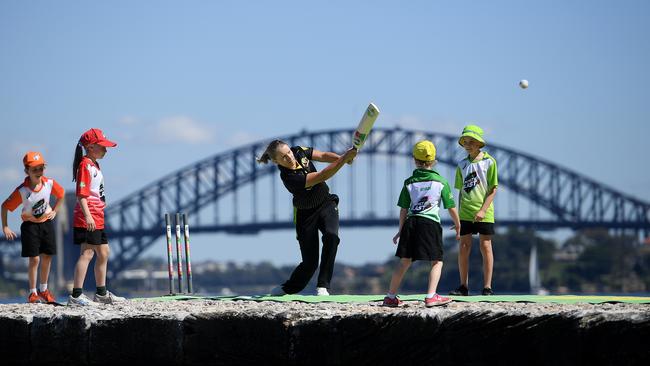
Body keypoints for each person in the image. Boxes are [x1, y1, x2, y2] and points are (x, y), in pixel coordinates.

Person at [257, 139, 357, 296]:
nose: (289, 157)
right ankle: (288, 288)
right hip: (305, 214)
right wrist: (344, 159)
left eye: (288, 152)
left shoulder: (299, 151)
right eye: (283, 157)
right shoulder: (289, 178)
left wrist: (341, 157)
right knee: (310, 263)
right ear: (276, 161)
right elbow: (323, 175)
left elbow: (323, 155)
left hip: (326, 203)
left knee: (332, 237)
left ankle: (323, 286)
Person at [383, 141, 461, 307]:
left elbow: (403, 209)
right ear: (434, 161)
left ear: (414, 159)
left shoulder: (409, 182)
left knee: (404, 261)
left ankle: (390, 296)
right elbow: (451, 207)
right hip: (430, 224)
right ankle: (432, 296)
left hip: (411, 222)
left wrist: (400, 230)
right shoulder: (441, 182)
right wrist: (458, 224)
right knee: (437, 261)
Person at [68, 128, 125, 306]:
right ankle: (76, 296)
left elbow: (95, 190)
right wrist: (88, 216)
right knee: (87, 253)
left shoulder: (94, 165)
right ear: (91, 147)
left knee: (104, 252)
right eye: (102, 146)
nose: (106, 150)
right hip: (88, 216)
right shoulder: (85, 165)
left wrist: (102, 203)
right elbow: (81, 195)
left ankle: (101, 293)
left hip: (97, 215)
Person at [1, 152, 65, 303]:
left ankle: (44, 290)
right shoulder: (22, 190)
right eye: (34, 169)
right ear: (27, 171)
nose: (38, 172)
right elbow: (4, 206)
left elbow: (61, 195)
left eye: (41, 168)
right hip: (30, 226)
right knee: (34, 259)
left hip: (46, 224)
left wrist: (55, 211)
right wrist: (5, 227)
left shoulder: (49, 183)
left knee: (47, 256)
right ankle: (32, 293)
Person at [449, 125, 498, 296]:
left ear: (479, 143)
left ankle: (487, 287)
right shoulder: (461, 165)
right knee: (463, 247)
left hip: (484, 213)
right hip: (465, 213)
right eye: (464, 142)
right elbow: (460, 192)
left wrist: (483, 210)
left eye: (471, 141)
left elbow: (493, 189)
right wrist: (457, 219)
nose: (467, 145)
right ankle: (463, 286)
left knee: (486, 246)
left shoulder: (489, 162)